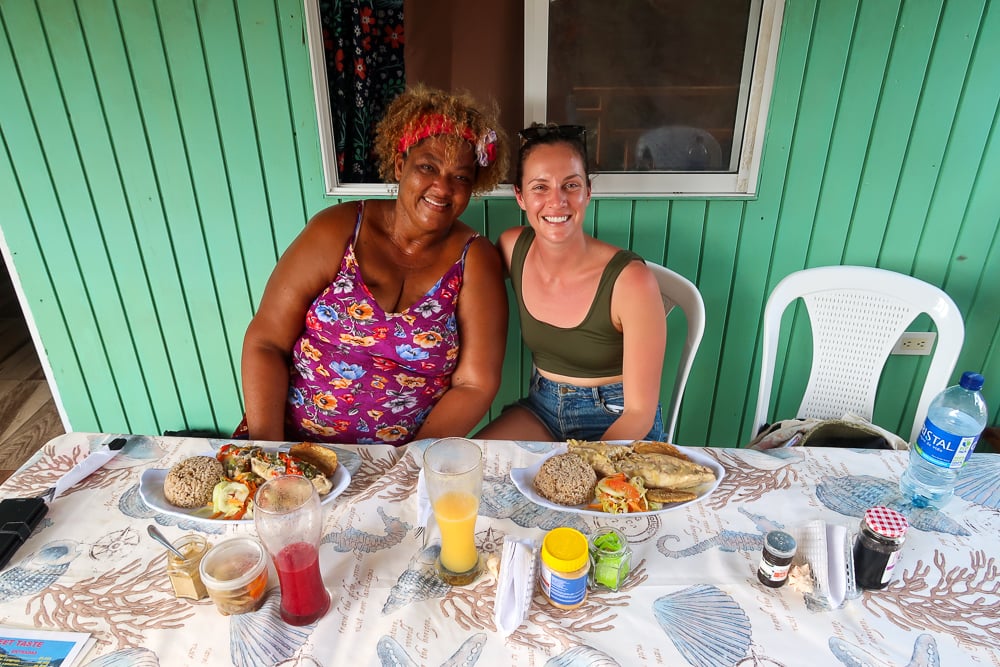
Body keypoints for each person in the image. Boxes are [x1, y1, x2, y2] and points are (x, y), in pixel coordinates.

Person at [238, 86, 509, 445]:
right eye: (427, 166)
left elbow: (475, 384)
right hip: (288, 440)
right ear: (400, 165)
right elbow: (267, 341)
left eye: (460, 177)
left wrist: (407, 465)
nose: (442, 187)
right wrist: (271, 451)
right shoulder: (337, 230)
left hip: (402, 459)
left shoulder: (475, 260)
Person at [475, 123, 667, 442]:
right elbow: (461, 288)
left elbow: (640, 415)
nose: (557, 201)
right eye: (540, 187)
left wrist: (578, 466)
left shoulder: (631, 281)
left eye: (571, 185)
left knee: (587, 492)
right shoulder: (512, 248)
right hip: (542, 408)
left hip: (616, 418)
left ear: (587, 192)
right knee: (467, 469)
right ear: (520, 196)